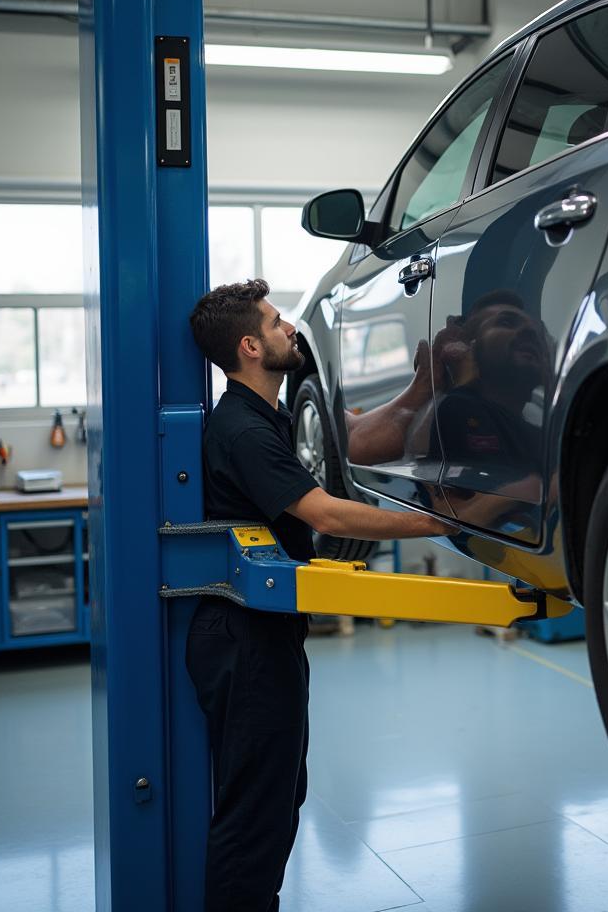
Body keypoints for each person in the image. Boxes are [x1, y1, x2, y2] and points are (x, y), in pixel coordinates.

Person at [186, 278, 453, 912]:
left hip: (265, 633)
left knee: (279, 795)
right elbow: (327, 516)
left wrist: (422, 390)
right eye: (279, 324)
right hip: (245, 642)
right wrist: (440, 522)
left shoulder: (272, 417)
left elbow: (354, 436)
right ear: (250, 346)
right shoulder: (244, 431)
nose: (292, 332)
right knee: (256, 815)